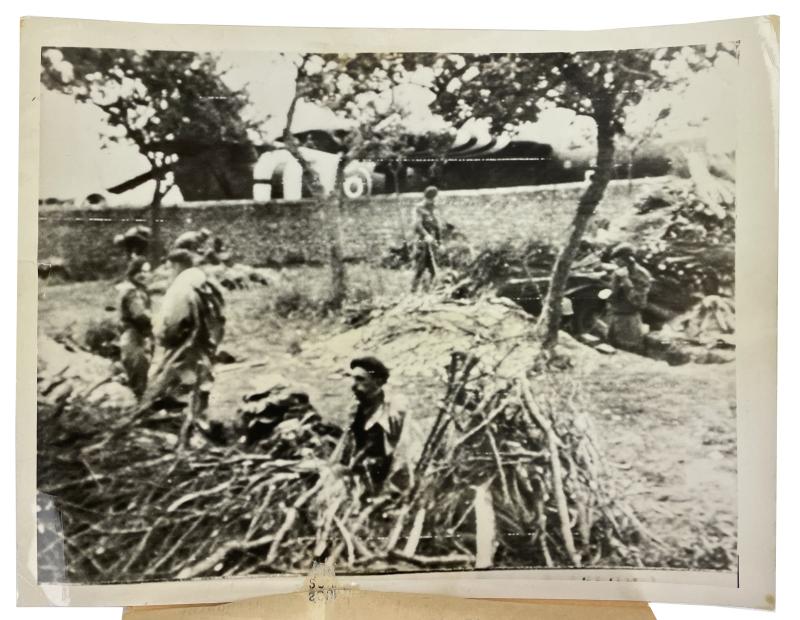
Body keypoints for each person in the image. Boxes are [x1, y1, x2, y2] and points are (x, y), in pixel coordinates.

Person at [146, 249, 226, 445]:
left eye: (169, 267)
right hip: (204, 344)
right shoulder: (204, 281)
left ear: (176, 265)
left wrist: (163, 338)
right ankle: (201, 427)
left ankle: (185, 435)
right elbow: (220, 317)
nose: (168, 271)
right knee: (201, 387)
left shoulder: (181, 287)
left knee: (177, 388)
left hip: (184, 346)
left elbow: (172, 323)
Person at [340, 356, 408, 493]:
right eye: (352, 379)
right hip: (358, 478)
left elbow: (403, 451)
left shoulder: (393, 410)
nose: (353, 385)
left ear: (378, 382)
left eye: (360, 379)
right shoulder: (356, 409)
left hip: (387, 482)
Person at [116, 257, 153, 398]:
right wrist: (158, 320)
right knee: (138, 368)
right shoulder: (131, 291)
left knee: (141, 371)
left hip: (138, 333)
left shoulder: (137, 288)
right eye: (141, 271)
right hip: (133, 335)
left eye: (147, 272)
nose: (145, 275)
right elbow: (139, 314)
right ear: (133, 272)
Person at [606, 243, 652, 353]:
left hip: (629, 319)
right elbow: (612, 295)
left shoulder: (641, 274)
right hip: (614, 317)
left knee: (630, 350)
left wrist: (626, 280)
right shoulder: (617, 273)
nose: (616, 263)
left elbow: (639, 301)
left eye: (619, 260)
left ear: (629, 259)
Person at [411, 186, 442, 292]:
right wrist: (426, 235)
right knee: (420, 268)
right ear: (431, 197)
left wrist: (439, 242)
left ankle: (429, 291)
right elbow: (417, 225)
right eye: (435, 197)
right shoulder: (420, 208)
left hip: (432, 243)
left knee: (433, 269)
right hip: (422, 242)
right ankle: (413, 291)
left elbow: (437, 227)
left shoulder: (433, 208)